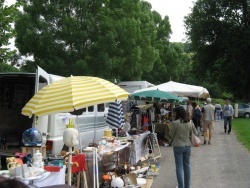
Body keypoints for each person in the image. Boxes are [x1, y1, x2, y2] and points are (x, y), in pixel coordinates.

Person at [169, 106, 198, 188]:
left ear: (177, 113)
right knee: (187, 166)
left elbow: (170, 135)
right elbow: (196, 132)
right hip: (187, 145)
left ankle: (180, 186)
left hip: (178, 146)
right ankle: (187, 186)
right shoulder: (190, 122)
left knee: (179, 167)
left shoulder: (175, 123)